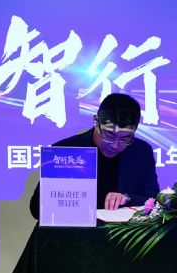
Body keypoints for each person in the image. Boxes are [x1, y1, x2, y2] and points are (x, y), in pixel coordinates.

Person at [30, 93, 159, 218]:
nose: (115, 145)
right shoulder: (65, 151)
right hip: (74, 230)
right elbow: (36, 209)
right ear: (96, 122)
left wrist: (127, 198)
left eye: (125, 138)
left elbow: (154, 200)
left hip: (124, 231)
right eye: (109, 136)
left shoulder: (141, 151)